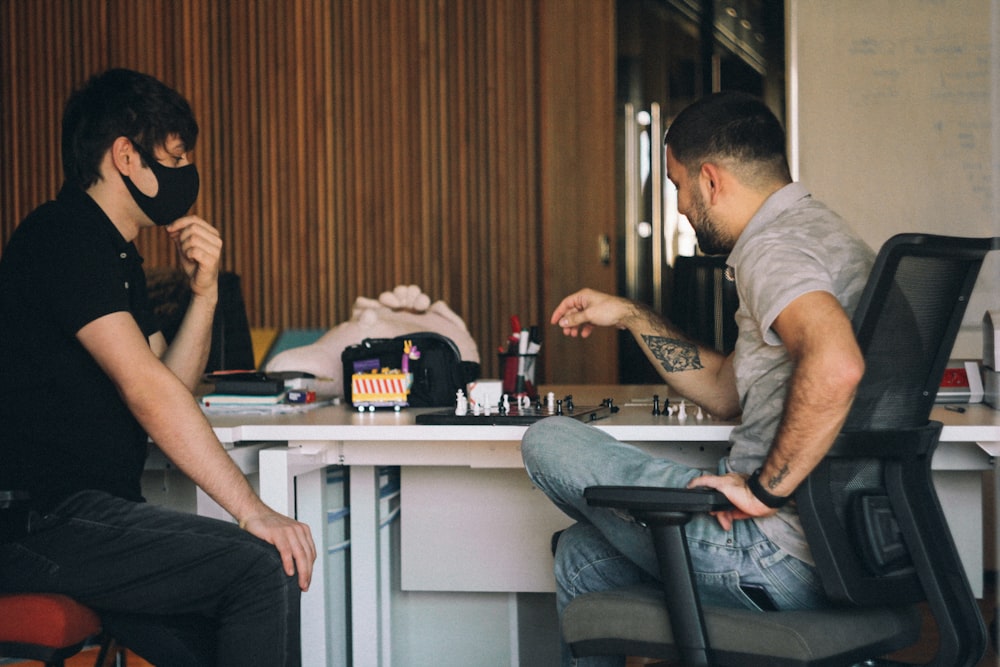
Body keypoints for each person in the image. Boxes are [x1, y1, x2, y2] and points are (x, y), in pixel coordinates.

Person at [521, 91, 877, 666]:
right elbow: (724, 390)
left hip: (767, 551)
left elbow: (837, 364)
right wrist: (632, 316)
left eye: (677, 185)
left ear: (709, 180)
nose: (681, 206)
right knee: (583, 557)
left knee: (547, 438)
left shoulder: (773, 250)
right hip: (842, 549)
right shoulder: (823, 235)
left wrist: (764, 490)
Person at [0, 68, 316, 666]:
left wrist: (204, 295)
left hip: (93, 516)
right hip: (38, 521)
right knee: (261, 565)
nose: (185, 173)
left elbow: (170, 381)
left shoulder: (116, 253)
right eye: (175, 157)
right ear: (125, 155)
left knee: (226, 632)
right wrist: (252, 510)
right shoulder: (64, 236)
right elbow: (145, 389)